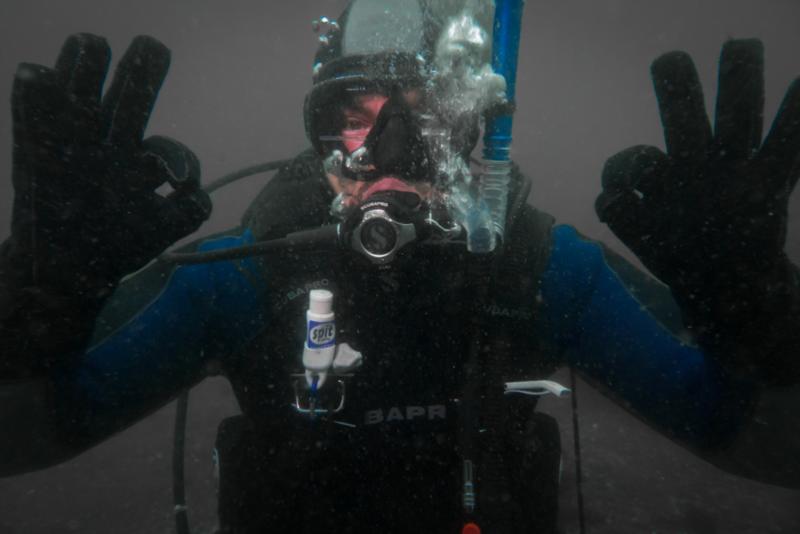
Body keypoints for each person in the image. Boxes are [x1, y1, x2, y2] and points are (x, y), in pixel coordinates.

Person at [1, 0, 799, 532]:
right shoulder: (240, 279)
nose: (385, 159)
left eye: (420, 126)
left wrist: (756, 321)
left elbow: (766, 452)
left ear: (469, 141)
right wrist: (38, 309)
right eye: (353, 120)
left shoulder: (539, 271)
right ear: (319, 143)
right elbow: (23, 441)